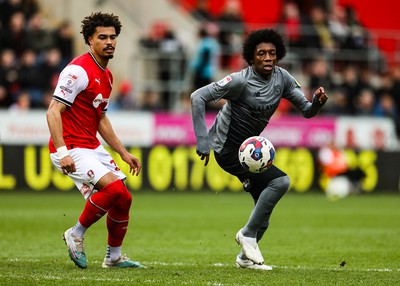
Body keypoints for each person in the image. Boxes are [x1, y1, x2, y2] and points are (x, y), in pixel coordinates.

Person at [190, 28, 328, 270]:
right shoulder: (239, 81)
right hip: (227, 149)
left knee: (263, 213)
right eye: (261, 53)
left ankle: (245, 259)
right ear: (251, 58)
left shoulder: (283, 79)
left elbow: (307, 110)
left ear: (278, 55)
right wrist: (203, 141)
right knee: (281, 182)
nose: (267, 58)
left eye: (272, 53)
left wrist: (316, 103)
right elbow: (197, 97)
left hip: (248, 153)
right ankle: (247, 234)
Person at [46, 12, 145, 269]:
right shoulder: (78, 71)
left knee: (124, 198)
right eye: (102, 37)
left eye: (113, 37)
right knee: (112, 189)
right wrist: (62, 151)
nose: (109, 41)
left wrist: (123, 152)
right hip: (71, 147)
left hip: (90, 145)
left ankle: (113, 257)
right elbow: (53, 111)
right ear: (90, 40)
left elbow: (100, 119)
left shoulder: (108, 76)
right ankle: (75, 233)